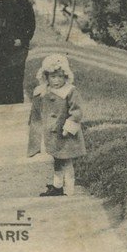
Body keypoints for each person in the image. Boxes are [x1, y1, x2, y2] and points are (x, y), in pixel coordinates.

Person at [27, 54, 86, 197]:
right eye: (53, 77)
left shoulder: (69, 91)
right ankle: (57, 186)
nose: (57, 80)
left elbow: (77, 111)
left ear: (66, 76)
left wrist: (69, 127)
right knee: (58, 159)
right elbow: (38, 112)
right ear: (46, 77)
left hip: (65, 134)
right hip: (53, 134)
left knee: (66, 161)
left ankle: (69, 188)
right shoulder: (43, 91)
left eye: (60, 77)